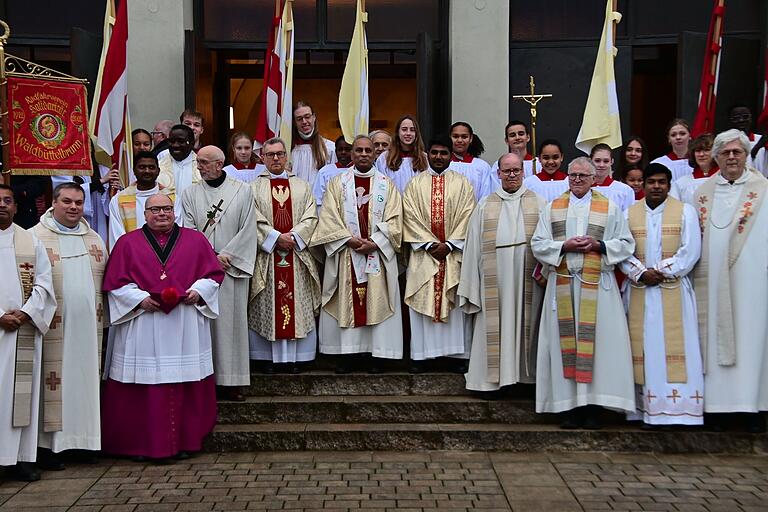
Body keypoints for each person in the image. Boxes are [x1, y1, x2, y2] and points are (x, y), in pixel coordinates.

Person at [101, 194, 224, 461]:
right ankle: (140, 445)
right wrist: (139, 299)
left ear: (174, 212)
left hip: (185, 322)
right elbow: (115, 283)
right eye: (155, 209)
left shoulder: (196, 240)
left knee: (184, 382)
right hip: (144, 323)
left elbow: (213, 276)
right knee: (142, 385)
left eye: (167, 209)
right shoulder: (127, 243)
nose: (162, 214)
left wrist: (198, 292)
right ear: (144, 214)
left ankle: (184, 441)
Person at [531, 157, 635, 429]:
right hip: (563, 285)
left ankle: (593, 408)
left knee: (599, 348)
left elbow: (626, 244)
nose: (577, 180)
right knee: (564, 347)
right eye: (573, 175)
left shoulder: (609, 208)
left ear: (594, 178)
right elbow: (538, 244)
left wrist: (599, 244)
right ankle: (568, 408)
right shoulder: (552, 208)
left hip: (598, 288)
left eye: (583, 176)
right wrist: (563, 246)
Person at [694, 129, 768, 433]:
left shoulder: (763, 190)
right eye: (725, 153)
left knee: (752, 339)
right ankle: (715, 407)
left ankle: (750, 407)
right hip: (709, 282)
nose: (732, 157)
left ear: (747, 154)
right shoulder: (701, 193)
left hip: (753, 282)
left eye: (737, 152)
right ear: (716, 157)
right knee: (710, 337)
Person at [620, 163, 703, 427]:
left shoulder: (685, 212)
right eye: (651, 182)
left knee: (676, 348)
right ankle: (641, 410)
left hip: (673, 291)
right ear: (643, 184)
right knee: (642, 347)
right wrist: (641, 272)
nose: (657, 186)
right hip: (639, 291)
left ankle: (677, 410)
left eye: (662, 182)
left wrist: (662, 271)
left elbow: (691, 251)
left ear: (669, 184)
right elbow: (622, 251)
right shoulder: (628, 213)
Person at [311, 135, 404, 373]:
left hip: (377, 256)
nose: (363, 154)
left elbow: (396, 221)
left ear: (375, 154)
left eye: (368, 150)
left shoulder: (387, 185)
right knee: (346, 301)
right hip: (346, 254)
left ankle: (377, 355)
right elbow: (328, 217)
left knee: (377, 301)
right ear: (351, 154)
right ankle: (347, 355)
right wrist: (349, 240)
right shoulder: (337, 183)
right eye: (358, 150)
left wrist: (375, 242)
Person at [31, 183, 107, 468]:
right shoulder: (35, 238)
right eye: (67, 201)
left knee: (85, 383)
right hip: (52, 329)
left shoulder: (95, 240)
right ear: (54, 202)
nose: (73, 207)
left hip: (89, 329)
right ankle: (50, 447)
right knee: (54, 385)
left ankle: (85, 443)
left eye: (78, 202)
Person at [460, 153, 546, 391]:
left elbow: (548, 243)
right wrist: (471, 284)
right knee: (493, 327)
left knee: (527, 324)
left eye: (516, 170)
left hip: (527, 278)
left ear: (523, 172)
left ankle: (526, 379)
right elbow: (472, 248)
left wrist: (546, 271)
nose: (511, 175)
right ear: (498, 174)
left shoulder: (539, 203)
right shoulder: (485, 205)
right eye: (506, 171)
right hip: (493, 280)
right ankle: (489, 383)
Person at [182, 145, 258, 402]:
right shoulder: (190, 193)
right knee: (204, 327)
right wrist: (208, 259)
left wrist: (227, 256)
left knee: (231, 326)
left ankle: (231, 382)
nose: (199, 166)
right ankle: (205, 382)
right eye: (198, 162)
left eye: (204, 162)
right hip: (202, 271)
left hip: (231, 269)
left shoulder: (242, 191)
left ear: (219, 164)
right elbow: (189, 230)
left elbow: (248, 229)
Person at [403, 136, 476, 372]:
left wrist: (451, 244)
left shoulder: (463, 183)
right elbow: (409, 216)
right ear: (428, 154)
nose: (438, 157)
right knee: (423, 302)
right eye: (434, 152)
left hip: (453, 255)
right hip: (425, 255)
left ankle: (456, 356)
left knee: (454, 305)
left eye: (443, 153)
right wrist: (429, 244)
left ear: (449, 156)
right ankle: (422, 356)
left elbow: (468, 214)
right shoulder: (415, 184)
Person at [249, 138, 321, 373]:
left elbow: (311, 216)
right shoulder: (253, 187)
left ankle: (296, 359)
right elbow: (252, 219)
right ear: (262, 158)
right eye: (270, 155)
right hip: (267, 257)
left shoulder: (301, 185)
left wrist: (293, 237)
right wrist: (274, 238)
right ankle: (267, 358)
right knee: (266, 304)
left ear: (287, 156)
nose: (276, 158)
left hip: (296, 256)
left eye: (280, 154)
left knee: (297, 303)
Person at [0, 185, 56, 481]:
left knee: (22, 398)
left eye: (7, 200)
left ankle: (21, 458)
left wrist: (26, 312)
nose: (2, 205)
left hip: (23, 329)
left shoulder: (29, 241)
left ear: (16, 207)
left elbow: (45, 284)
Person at [109, 151, 177, 249]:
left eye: (151, 167)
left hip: (165, 254)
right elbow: (117, 235)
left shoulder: (172, 198)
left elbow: (176, 230)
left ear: (158, 170)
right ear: (134, 170)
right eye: (142, 167)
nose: (147, 171)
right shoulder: (119, 200)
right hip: (133, 256)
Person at [375, 115, 428, 193]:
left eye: (412, 130)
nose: (408, 133)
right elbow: (381, 187)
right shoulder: (384, 158)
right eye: (404, 129)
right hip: (393, 203)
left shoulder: (425, 158)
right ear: (398, 132)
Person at [290, 101, 336, 186]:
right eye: (299, 119)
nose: (304, 121)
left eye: (307, 117)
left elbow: (333, 180)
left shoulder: (330, 148)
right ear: (294, 122)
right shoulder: (289, 149)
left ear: (314, 117)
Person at [157, 124, 201, 212]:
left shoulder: (202, 167)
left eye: (181, 141)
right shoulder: (158, 167)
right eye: (172, 141)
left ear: (192, 143)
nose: (175, 145)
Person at [447, 121, 492, 200]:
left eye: (464, 137)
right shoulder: (443, 165)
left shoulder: (482, 166)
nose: (459, 140)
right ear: (449, 138)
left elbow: (486, 195)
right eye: (455, 136)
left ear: (470, 139)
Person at [674, 133, 718, 206]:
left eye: (706, 150)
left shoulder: (725, 179)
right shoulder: (681, 184)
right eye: (698, 151)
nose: (701, 154)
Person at [590, 143, 635, 212]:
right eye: (597, 161)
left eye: (606, 161)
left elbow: (628, 219)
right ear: (590, 161)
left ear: (612, 161)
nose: (601, 165)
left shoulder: (625, 191)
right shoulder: (582, 189)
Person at [312, 136, 354, 208]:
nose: (343, 152)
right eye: (340, 150)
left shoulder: (358, 170)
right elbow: (318, 199)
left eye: (347, 149)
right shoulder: (325, 172)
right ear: (335, 151)